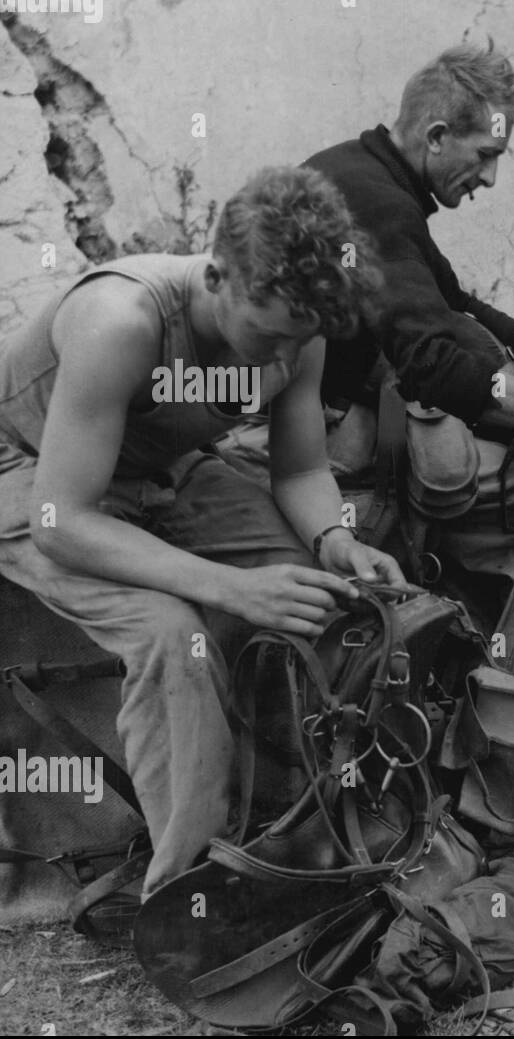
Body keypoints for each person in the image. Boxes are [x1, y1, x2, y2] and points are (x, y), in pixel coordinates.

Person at [0, 167, 407, 896]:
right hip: (31, 474)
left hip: (157, 464)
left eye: (301, 339)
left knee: (324, 598)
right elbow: (61, 522)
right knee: (170, 635)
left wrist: (334, 541)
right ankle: (192, 894)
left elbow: (300, 471)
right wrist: (233, 587)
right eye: (271, 333)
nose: (284, 358)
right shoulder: (122, 321)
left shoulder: (297, 329)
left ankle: (307, 824)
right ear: (216, 276)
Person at [219, 40, 514, 713]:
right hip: (291, 441)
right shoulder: (373, 202)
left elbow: (448, 298)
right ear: (437, 136)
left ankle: (509, 681)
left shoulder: (368, 177)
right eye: (487, 156)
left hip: (325, 418)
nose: (491, 179)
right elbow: (433, 364)